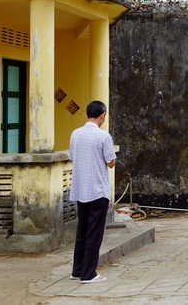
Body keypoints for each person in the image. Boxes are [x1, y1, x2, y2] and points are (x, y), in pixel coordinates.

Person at [69, 100, 116, 284]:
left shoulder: (75, 134)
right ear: (102, 115)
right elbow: (111, 162)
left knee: (82, 230)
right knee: (94, 233)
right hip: (97, 190)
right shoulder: (103, 136)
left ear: (86, 114)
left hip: (81, 188)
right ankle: (88, 273)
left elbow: (73, 157)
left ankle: (78, 269)